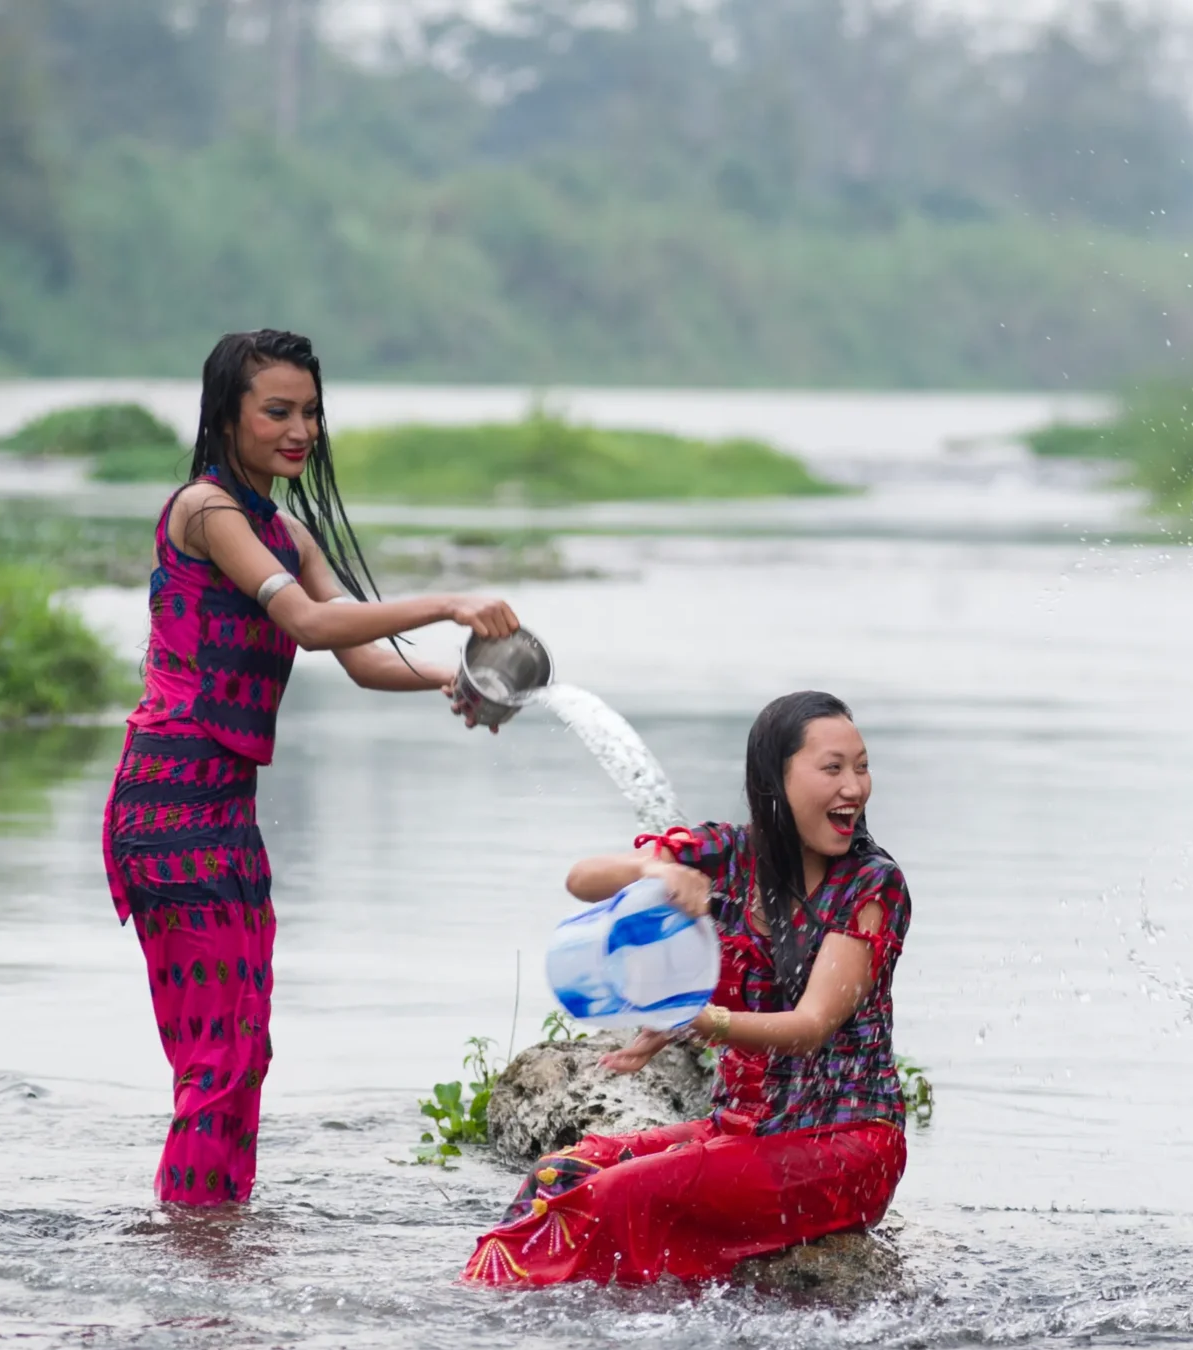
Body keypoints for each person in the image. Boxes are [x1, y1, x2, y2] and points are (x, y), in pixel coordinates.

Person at [106, 329, 520, 1205]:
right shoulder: (207, 511)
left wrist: (462, 677)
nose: (302, 431)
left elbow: (365, 660)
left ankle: (209, 1243)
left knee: (243, 1050)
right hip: (167, 803)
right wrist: (448, 601)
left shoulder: (285, 528)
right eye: (279, 412)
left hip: (224, 807)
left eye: (312, 412)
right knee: (217, 1057)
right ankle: (192, 1258)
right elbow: (307, 623)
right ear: (229, 417)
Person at [465, 691, 913, 1288]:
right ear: (775, 782)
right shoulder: (731, 852)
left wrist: (698, 1020)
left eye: (860, 767)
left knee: (621, 1194)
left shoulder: (870, 884)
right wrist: (656, 871)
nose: (854, 787)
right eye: (832, 768)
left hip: (843, 1146)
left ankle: (572, 1315)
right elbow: (582, 880)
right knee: (562, 1171)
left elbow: (810, 1029)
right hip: (743, 1128)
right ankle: (500, 1303)